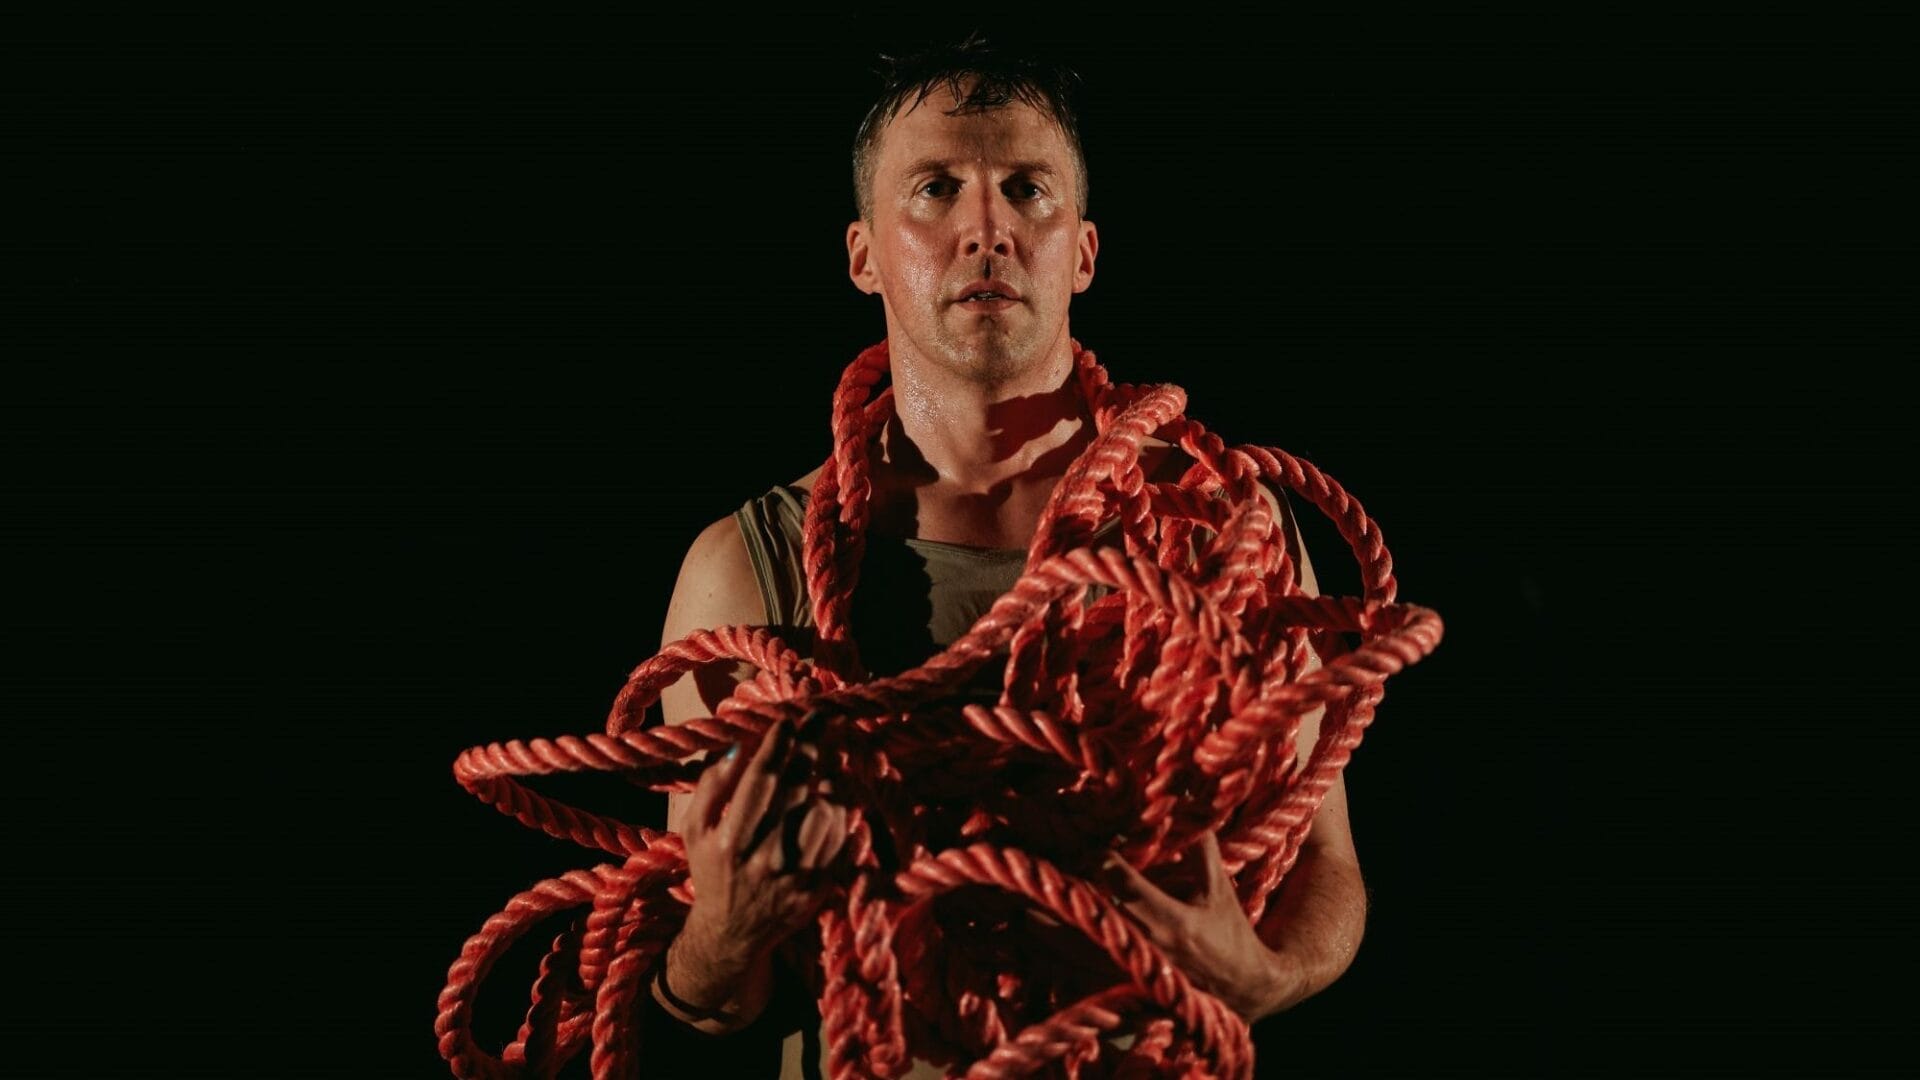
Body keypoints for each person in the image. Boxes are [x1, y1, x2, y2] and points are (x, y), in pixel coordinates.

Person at [644, 37, 1367, 1077]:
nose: (986, 230)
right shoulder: (753, 569)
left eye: (1027, 190)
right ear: (864, 256)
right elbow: (709, 999)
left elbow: (1328, 866)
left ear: (1080, 249)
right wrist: (722, 937)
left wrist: (1264, 975)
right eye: (936, 189)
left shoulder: (1221, 531)